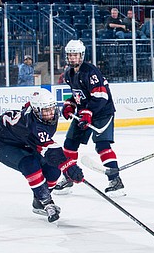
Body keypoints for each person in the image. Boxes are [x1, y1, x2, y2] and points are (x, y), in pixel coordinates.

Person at [0, 88, 84, 223]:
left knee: (53, 170)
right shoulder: (32, 125)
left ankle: (38, 200)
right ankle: (46, 202)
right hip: (2, 144)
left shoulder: (43, 115)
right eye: (45, 111)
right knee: (30, 164)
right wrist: (69, 166)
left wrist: (65, 166)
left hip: (25, 142)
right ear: (36, 111)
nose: (49, 114)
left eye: (51, 109)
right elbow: (50, 149)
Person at [54, 40, 125, 197]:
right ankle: (69, 177)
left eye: (76, 55)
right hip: (86, 112)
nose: (73, 58)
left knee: (102, 145)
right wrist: (70, 104)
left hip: (102, 112)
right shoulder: (68, 74)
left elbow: (101, 96)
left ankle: (116, 181)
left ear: (82, 55)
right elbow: (78, 96)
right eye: (70, 55)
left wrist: (88, 112)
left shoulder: (91, 71)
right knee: (69, 144)